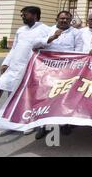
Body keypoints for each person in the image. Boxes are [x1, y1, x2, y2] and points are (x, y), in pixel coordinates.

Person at [0, 7, 51, 137]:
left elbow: (48, 46)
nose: (22, 16)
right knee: (11, 94)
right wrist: (6, 62)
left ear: (35, 15)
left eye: (25, 14)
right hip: (14, 67)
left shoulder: (45, 29)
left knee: (28, 96)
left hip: (32, 68)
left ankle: (27, 124)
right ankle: (10, 124)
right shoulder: (20, 30)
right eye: (22, 14)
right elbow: (14, 48)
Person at [34, 11, 83, 140]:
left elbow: (79, 51)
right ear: (57, 19)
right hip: (47, 70)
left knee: (64, 97)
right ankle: (42, 125)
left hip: (67, 70)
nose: (64, 20)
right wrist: (52, 38)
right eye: (61, 18)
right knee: (45, 97)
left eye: (67, 18)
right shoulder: (48, 30)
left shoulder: (76, 33)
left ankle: (64, 124)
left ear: (70, 20)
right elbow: (35, 45)